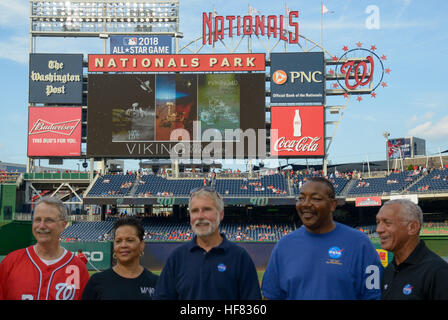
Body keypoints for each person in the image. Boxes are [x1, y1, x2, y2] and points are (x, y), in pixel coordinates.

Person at [262, 177, 383, 300]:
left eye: (315, 199)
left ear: (332, 205)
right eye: (301, 198)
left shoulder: (360, 243)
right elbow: (272, 296)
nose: (306, 204)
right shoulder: (284, 245)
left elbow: (373, 296)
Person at [154, 187, 261, 300]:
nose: (200, 216)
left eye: (207, 209)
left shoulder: (240, 257)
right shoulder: (177, 258)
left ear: (221, 214)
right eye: (195, 211)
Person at [0, 196, 89, 300]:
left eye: (49, 220)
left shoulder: (78, 269)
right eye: (37, 219)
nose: (41, 226)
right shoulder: (11, 262)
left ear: (63, 225)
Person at [376, 199, 448, 300]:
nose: (378, 229)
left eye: (387, 223)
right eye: (378, 222)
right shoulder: (389, 270)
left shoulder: (438, 272)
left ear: (412, 227)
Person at [82, 217, 158, 300]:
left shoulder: (156, 283)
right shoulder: (97, 282)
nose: (123, 245)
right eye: (118, 241)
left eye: (130, 240)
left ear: (142, 245)